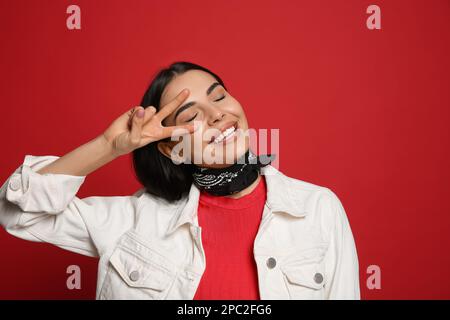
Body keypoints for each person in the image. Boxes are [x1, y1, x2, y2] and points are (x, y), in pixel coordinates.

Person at [0, 61, 360, 300]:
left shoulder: (318, 209)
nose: (218, 114)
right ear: (173, 149)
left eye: (219, 96)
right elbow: (16, 212)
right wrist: (109, 146)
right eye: (192, 115)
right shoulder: (133, 221)